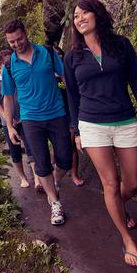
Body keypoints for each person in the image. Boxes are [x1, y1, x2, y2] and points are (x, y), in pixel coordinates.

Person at [63, 0, 137, 267]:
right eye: (75, 16)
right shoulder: (73, 57)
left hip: (125, 121)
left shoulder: (121, 45)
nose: (79, 19)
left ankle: (116, 206)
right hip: (92, 125)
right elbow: (71, 95)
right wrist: (76, 130)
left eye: (84, 13)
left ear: (97, 14)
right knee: (111, 184)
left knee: (132, 184)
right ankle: (127, 239)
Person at [1, 19, 73, 225]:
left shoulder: (47, 53)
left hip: (57, 113)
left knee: (65, 159)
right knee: (41, 164)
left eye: (19, 39)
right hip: (31, 119)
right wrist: (9, 125)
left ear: (26, 33)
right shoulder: (9, 66)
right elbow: (7, 96)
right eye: (12, 42)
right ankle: (55, 201)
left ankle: (54, 183)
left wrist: (67, 95)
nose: (17, 44)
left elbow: (63, 77)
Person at [0, 49, 36, 188]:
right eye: (7, 63)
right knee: (15, 151)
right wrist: (8, 118)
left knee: (31, 147)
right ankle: (23, 178)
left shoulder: (17, 74)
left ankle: (37, 179)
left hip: (25, 117)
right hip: (7, 123)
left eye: (12, 61)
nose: (11, 65)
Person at [52, 45, 84, 187]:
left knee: (71, 144)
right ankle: (58, 168)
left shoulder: (68, 72)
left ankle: (74, 174)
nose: (58, 57)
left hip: (70, 113)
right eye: (55, 55)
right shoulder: (47, 75)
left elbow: (74, 90)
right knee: (60, 145)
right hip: (57, 114)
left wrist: (62, 76)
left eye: (60, 54)